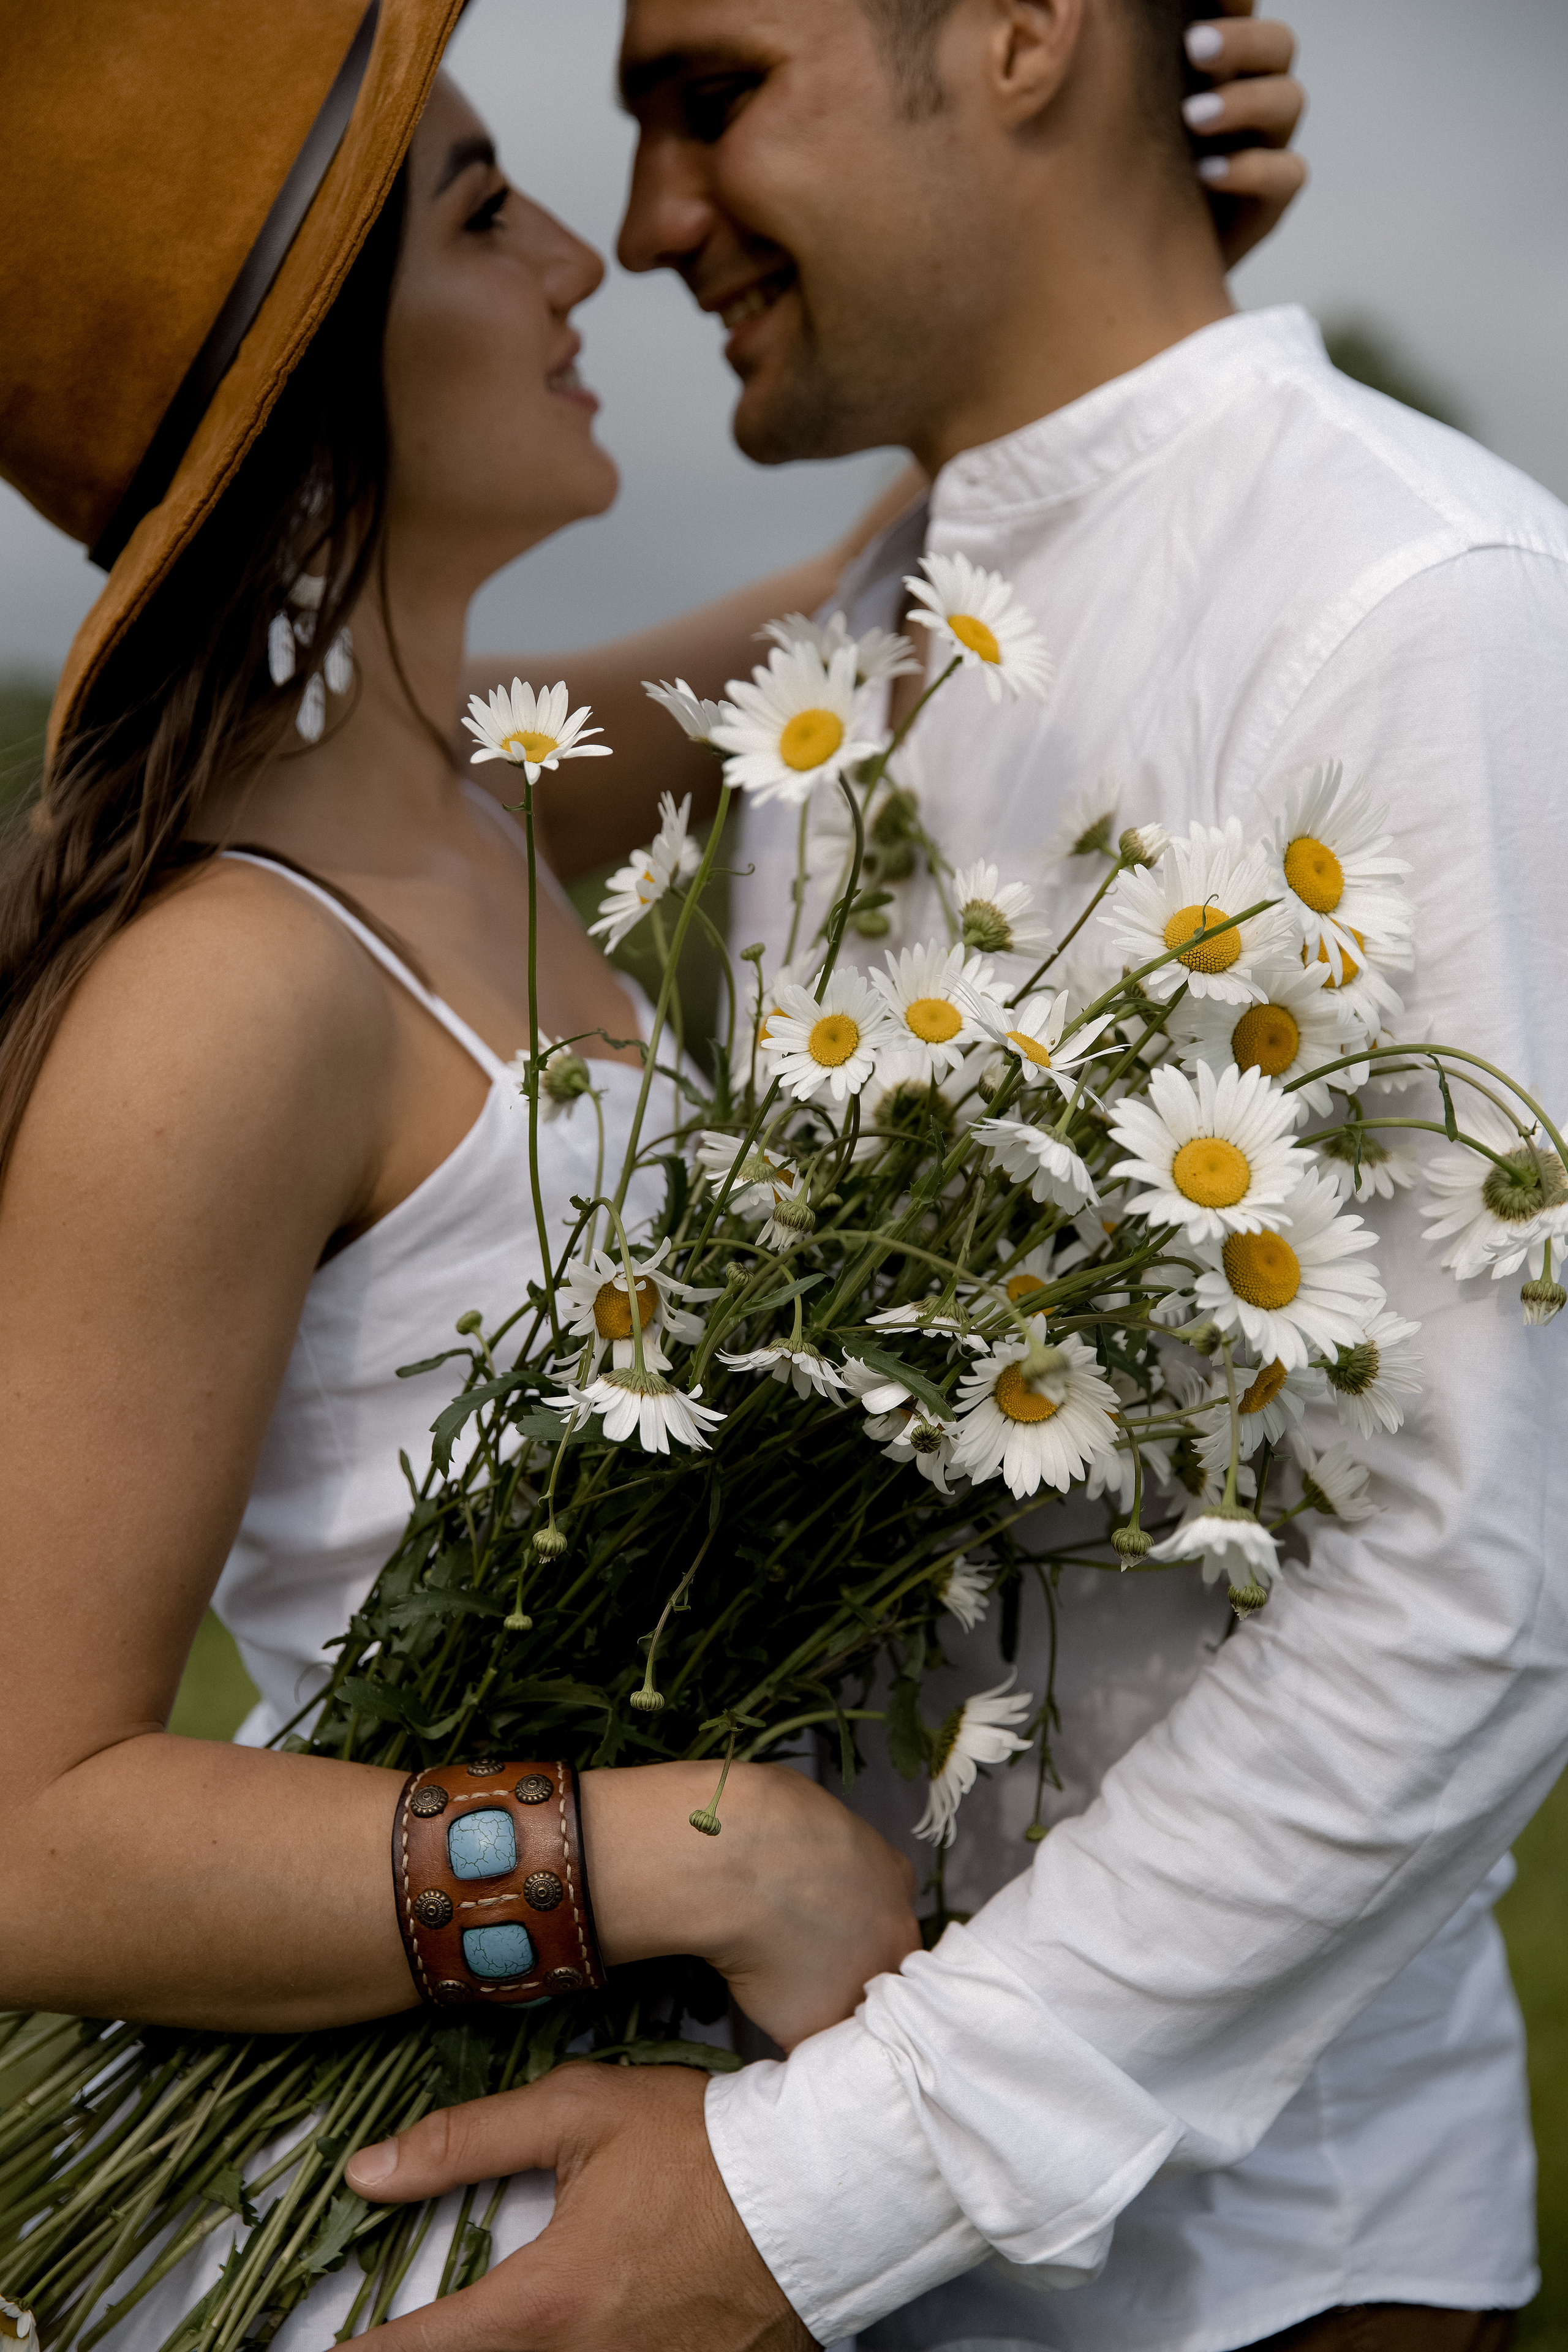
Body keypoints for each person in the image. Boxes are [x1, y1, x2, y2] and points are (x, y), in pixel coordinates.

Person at [0, 2, 1296, 2345]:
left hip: (627, 2141)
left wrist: (1117, 212)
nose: (595, 257)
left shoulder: (487, 807)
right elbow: (25, 1827)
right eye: (489, 211)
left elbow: (903, 593)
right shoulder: (223, 993)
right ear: (310, 374)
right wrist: (691, 1850)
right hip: (390, 2212)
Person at [337, 6, 1568, 2352]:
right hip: (830, 2193)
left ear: (1018, 36)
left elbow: (1474, 1582)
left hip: (1250, 2280)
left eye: (713, 100)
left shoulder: (1427, 605)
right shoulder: (875, 632)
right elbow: (371, 791)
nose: (655, 224)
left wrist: (811, 2191)